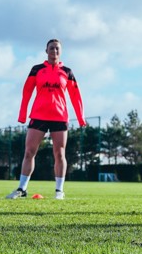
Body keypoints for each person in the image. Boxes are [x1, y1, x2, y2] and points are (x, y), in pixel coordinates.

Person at [6, 39, 86, 200]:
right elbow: (27, 92)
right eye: (51, 48)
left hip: (59, 117)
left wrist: (81, 118)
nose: (54, 51)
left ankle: (59, 191)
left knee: (60, 153)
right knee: (29, 152)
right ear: (46, 50)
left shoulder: (67, 72)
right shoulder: (36, 70)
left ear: (60, 51)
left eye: (57, 49)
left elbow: (75, 96)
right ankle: (22, 189)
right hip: (38, 116)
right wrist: (22, 115)